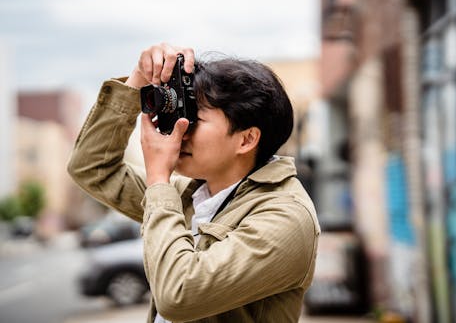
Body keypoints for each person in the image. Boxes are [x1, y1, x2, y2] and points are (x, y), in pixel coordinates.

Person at [67, 42, 320, 323]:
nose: (179, 131)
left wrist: (159, 180)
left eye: (194, 120)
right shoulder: (192, 193)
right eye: (180, 114)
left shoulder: (285, 217)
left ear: (246, 139)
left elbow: (179, 295)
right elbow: (92, 168)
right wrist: (137, 82)